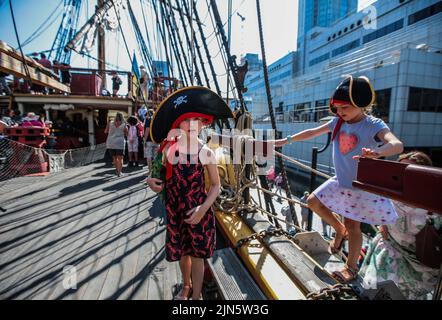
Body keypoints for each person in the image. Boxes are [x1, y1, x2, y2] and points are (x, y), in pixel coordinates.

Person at [272, 75, 404, 283]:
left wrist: (378, 152)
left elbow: (396, 145)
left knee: (354, 227)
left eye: (345, 107)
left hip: (358, 187)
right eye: (337, 107)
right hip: (341, 180)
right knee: (312, 201)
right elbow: (312, 132)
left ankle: (350, 268)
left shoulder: (373, 125)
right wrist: (285, 140)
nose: (340, 112)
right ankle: (338, 229)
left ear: (361, 104)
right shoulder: (337, 122)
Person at [146, 86, 233, 300]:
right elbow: (155, 173)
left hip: (198, 212)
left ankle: (196, 296)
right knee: (183, 253)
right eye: (187, 120)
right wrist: (150, 181)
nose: (192, 125)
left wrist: (203, 210)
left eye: (197, 120)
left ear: (204, 123)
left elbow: (215, 186)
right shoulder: (168, 150)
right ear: (178, 123)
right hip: (176, 210)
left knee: (196, 256)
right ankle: (186, 286)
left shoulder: (206, 152)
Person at [360, 151, 442, 299]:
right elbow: (369, 188)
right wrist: (370, 160)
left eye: (411, 172)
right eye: (401, 171)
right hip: (392, 248)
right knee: (377, 281)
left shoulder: (434, 204)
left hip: (422, 262)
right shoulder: (391, 194)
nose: (405, 177)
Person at [105, 112, 128, 177]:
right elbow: (127, 134)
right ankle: (119, 172)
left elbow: (105, 131)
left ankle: (117, 171)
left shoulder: (110, 123)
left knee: (114, 158)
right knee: (120, 159)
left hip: (111, 142)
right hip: (120, 143)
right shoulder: (124, 124)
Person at [143, 109, 158, 174]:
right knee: (155, 157)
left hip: (149, 140)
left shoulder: (148, 119)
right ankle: (154, 171)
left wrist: (144, 140)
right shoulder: (157, 120)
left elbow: (147, 130)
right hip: (156, 140)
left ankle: (150, 171)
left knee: (149, 156)